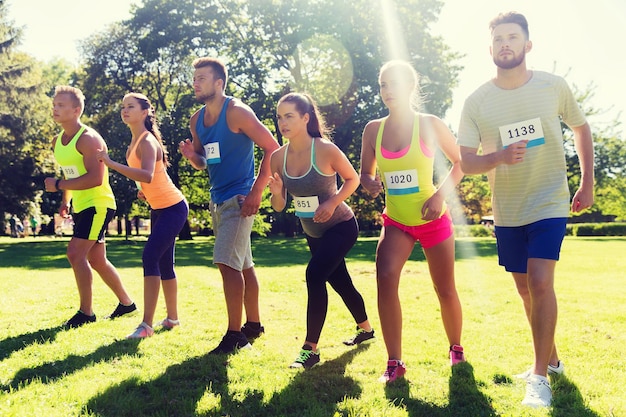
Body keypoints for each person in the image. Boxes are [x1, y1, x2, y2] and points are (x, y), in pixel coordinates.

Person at [457, 12, 594, 408]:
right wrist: (497, 156)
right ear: (490, 48)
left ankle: (538, 377)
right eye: (498, 38)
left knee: (539, 280)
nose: (505, 44)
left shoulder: (554, 87)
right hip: (508, 209)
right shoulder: (477, 101)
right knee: (523, 287)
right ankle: (551, 362)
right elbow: (467, 161)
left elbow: (581, 128)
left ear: (527, 45)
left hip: (550, 198)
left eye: (512, 37)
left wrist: (587, 181)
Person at [360, 60, 465, 383]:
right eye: (382, 85)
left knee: (444, 289)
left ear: (410, 86)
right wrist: (369, 182)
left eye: (394, 84)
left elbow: (461, 162)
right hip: (397, 221)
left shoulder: (430, 123)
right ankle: (395, 362)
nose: (388, 91)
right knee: (386, 277)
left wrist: (440, 197)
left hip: (433, 219)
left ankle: (456, 348)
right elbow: (366, 172)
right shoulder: (373, 129)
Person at [179, 57, 279, 354]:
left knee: (226, 262)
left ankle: (235, 335)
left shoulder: (236, 112)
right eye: (194, 78)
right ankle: (253, 325)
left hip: (240, 198)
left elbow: (272, 147)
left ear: (219, 83)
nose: (195, 83)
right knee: (243, 264)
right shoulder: (196, 120)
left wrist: (257, 191)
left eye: (202, 78)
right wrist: (189, 155)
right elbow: (202, 162)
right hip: (217, 199)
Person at [268, 92, 375, 369]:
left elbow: (352, 179)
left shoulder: (325, 149)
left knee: (314, 275)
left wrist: (332, 201)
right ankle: (366, 330)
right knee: (340, 282)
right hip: (313, 232)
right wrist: (277, 193)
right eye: (280, 117)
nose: (283, 122)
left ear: (306, 118)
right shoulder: (278, 158)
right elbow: (279, 206)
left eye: (289, 116)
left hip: (341, 226)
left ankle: (310, 350)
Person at [97, 93, 189, 339]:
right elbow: (149, 179)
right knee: (164, 263)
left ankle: (146, 325)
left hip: (173, 208)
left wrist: (110, 163)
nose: (125, 110)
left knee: (150, 256)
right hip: (159, 208)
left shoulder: (147, 141)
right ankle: (172, 319)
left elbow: (146, 174)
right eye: (123, 107)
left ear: (145, 112)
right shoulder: (136, 140)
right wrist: (144, 193)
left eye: (131, 107)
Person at [44, 85, 137, 328]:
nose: (55, 108)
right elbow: (71, 173)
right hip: (82, 205)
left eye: (61, 105)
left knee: (75, 253)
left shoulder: (88, 139)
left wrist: (57, 184)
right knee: (96, 259)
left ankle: (86, 313)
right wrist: (65, 201)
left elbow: (96, 178)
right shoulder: (57, 142)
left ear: (76, 111)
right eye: (55, 104)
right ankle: (127, 304)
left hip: (99, 204)